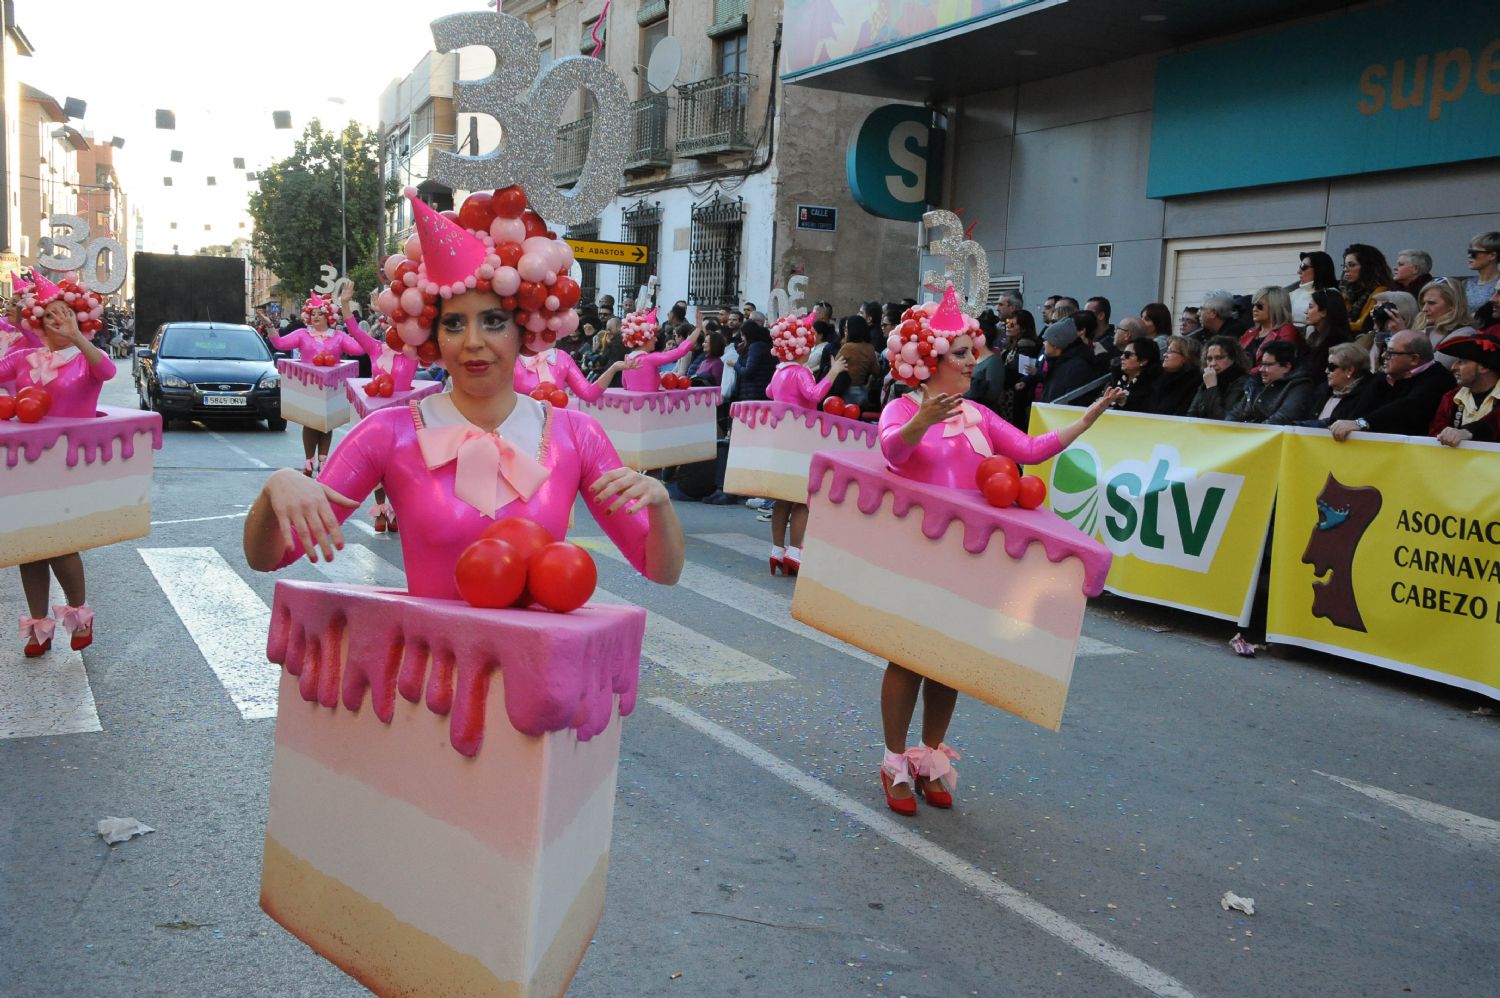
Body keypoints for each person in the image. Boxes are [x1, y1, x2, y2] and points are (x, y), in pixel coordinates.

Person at [243, 190, 685, 602]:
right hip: (426, 678)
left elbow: (660, 569)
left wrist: (660, 505)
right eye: (454, 324)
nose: (473, 341)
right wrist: (274, 489)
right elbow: (270, 557)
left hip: (539, 680)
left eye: (493, 321)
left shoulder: (578, 435)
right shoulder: (386, 434)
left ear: (526, 328)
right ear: (430, 334)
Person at [874, 288, 1123, 815]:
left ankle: (931, 754)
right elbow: (893, 452)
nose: (973, 360)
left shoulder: (978, 414)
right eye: (961, 353)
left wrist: (1090, 417)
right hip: (919, 551)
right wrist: (923, 420)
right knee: (909, 655)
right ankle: (894, 760)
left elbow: (1030, 451)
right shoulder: (900, 407)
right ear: (929, 361)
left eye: (972, 350)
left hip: (971, 556)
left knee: (950, 660)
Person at [0, 275, 110, 655]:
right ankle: (37, 628)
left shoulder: (86, 361)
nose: (58, 320)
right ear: (37, 321)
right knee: (28, 547)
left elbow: (108, 371)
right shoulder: (23, 358)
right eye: (49, 315)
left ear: (82, 319)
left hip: (68, 465)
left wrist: (78, 339)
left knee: (61, 545)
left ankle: (79, 615)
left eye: (66, 314)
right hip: (23, 464)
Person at [763, 316, 848, 575]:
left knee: (782, 499)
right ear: (804, 347)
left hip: (782, 441)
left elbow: (768, 393)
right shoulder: (800, 372)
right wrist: (832, 373)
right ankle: (795, 553)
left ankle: (777, 551)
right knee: (801, 499)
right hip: (803, 440)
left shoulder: (779, 372)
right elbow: (814, 395)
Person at [268, 292, 366, 475]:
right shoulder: (302, 334)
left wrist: (360, 332)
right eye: (312, 314)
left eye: (319, 314)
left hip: (331, 387)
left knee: (326, 423)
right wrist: (269, 326)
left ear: (328, 316)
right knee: (310, 422)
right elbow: (280, 344)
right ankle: (309, 460)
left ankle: (323, 460)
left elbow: (359, 350)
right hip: (309, 387)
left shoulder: (338, 336)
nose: (315, 317)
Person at [1329, 329, 1455, 440]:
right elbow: (1357, 413)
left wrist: (1362, 423)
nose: (1384, 355)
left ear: (1414, 359)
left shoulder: (1439, 380)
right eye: (1385, 350)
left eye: (1391, 352)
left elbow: (1407, 409)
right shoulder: (1383, 377)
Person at [515, 315, 631, 401]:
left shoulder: (562, 358)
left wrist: (614, 368)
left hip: (556, 428)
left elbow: (589, 393)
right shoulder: (511, 358)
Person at [1428, 329, 1500, 445]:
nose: (1453, 367)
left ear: (1484, 367)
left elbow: (1495, 422)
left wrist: (1468, 432)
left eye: (1462, 361)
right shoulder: (1450, 398)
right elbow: (1434, 437)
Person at [1227, 339, 1314, 424]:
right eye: (1262, 364)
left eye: (1267, 365)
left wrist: (1249, 434)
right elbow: (1235, 413)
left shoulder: (1299, 386)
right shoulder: (1255, 383)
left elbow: (1283, 418)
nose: (1261, 369)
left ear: (1287, 366)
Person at [1300, 342, 1376, 428]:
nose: (1326, 371)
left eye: (1331, 366)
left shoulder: (1368, 397)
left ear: (1349, 370)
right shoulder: (1321, 391)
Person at [620, 312, 700, 391]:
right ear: (645, 340)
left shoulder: (627, 359)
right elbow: (680, 351)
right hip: (652, 402)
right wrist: (698, 330)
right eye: (653, 336)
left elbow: (625, 386)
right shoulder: (650, 359)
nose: (656, 339)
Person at [1414, 277, 1476, 366]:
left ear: (1453, 304)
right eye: (1423, 303)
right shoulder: (1422, 327)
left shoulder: (1464, 334)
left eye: (1431, 303)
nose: (1424, 309)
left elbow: (1430, 368)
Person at [1187, 336, 1251, 420]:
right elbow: (1191, 414)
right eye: (1209, 359)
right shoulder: (1209, 379)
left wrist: (1212, 388)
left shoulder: (1243, 383)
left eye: (1219, 358)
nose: (1213, 363)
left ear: (1233, 358)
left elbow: (1222, 419)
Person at [1242, 286, 1299, 371]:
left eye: (1259, 306)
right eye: (1253, 305)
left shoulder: (1287, 330)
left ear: (1275, 307)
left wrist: (1246, 374)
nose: (1254, 309)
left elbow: (1278, 363)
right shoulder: (1250, 332)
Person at [1340, 243, 1393, 335]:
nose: (1345, 269)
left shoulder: (1380, 292)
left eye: (1351, 265)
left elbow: (1363, 325)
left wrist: (1334, 324)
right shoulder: (1348, 291)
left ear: (1367, 267)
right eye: (1344, 266)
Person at [1300, 289, 1354, 378]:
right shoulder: (1314, 336)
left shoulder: (1337, 341)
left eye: (1310, 307)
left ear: (1324, 312)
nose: (1306, 311)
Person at [1039, 317, 1094, 403]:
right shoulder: (1059, 362)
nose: (1044, 343)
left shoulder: (1077, 367)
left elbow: (1074, 401)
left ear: (1056, 344)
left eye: (1046, 340)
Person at [1148, 335, 1202, 416]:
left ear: (1186, 357)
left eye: (1170, 351)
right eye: (1166, 351)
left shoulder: (1195, 383)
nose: (1165, 355)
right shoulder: (1161, 378)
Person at [1110, 336, 1160, 413]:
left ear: (1143, 361)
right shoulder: (1117, 378)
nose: (1122, 357)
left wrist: (1123, 401)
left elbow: (1147, 411)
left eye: (1127, 355)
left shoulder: (1151, 385)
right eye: (1123, 353)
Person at [732, 316, 776, 402]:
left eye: (743, 335)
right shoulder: (766, 346)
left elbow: (748, 371)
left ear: (748, 334)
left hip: (753, 393)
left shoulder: (755, 347)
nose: (742, 338)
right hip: (760, 391)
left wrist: (735, 365)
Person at [1291, 251, 1339, 325]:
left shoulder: (1330, 294)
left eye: (1303, 266)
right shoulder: (1293, 294)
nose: (1299, 271)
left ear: (1319, 269)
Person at [1464, 232, 1500, 313]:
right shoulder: (1466, 283)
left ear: (1492, 256)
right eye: (1469, 251)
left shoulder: (1498, 285)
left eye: (1474, 253)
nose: (1469, 256)